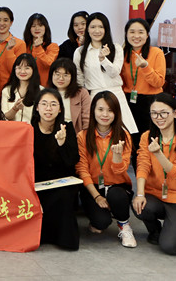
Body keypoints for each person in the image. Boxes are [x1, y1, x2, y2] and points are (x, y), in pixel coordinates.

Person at [75, 92, 135, 248]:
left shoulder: (124, 135)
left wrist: (117, 157)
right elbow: (82, 169)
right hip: (93, 187)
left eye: (110, 110)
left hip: (117, 185)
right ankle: (100, 216)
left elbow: (121, 171)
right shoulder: (83, 136)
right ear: (93, 110)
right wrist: (97, 197)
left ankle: (124, 225)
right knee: (101, 222)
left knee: (117, 196)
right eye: (100, 109)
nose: (105, 115)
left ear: (116, 113)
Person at [132, 93, 176, 255]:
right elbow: (142, 166)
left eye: (163, 113)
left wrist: (158, 153)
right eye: (154, 113)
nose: (159, 118)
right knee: (140, 206)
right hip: (155, 194)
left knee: (170, 247)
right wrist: (140, 194)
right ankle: (156, 231)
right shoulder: (147, 136)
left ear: (175, 113)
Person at [32, 88, 79, 250]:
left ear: (60, 109)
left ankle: (62, 239)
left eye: (53, 104)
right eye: (44, 104)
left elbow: (72, 161)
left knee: (63, 196)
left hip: (61, 181)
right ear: (37, 107)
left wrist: (61, 144)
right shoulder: (29, 129)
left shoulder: (67, 128)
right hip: (36, 181)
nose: (48, 108)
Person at [74, 12, 137, 134]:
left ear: (106, 29)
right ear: (87, 29)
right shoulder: (80, 52)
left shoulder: (116, 48)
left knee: (121, 133)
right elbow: (79, 79)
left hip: (116, 94)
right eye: (93, 27)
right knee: (97, 134)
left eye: (101, 27)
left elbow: (115, 72)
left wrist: (104, 60)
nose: (97, 31)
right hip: (94, 96)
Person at [122, 18, 166, 151]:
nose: (136, 36)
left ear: (147, 35)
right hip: (128, 101)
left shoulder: (156, 53)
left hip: (151, 102)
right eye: (132, 32)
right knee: (132, 142)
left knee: (150, 142)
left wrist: (145, 66)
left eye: (141, 32)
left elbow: (159, 82)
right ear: (126, 34)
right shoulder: (122, 54)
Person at [0, 7, 26, 90]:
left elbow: (17, 70)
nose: (1, 23)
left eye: (5, 20)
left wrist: (9, 50)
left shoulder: (19, 44)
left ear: (11, 22)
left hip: (10, 88)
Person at [48, 58, 91, 132]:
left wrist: (84, 136)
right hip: (51, 130)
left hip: (74, 132)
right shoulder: (46, 93)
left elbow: (87, 119)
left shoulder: (82, 93)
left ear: (72, 77)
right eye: (57, 74)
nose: (61, 78)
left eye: (65, 75)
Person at [1, 53, 42, 123]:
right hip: (12, 128)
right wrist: (15, 109)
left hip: (32, 129)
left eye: (27, 68)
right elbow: (5, 117)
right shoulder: (7, 90)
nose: (22, 71)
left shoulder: (42, 91)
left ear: (33, 70)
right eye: (19, 68)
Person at [23, 13, 59, 84]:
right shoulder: (24, 46)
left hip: (45, 86)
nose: (37, 28)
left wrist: (38, 47)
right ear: (29, 29)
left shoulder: (53, 46)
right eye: (33, 26)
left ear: (46, 28)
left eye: (40, 25)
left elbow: (48, 63)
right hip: (26, 85)